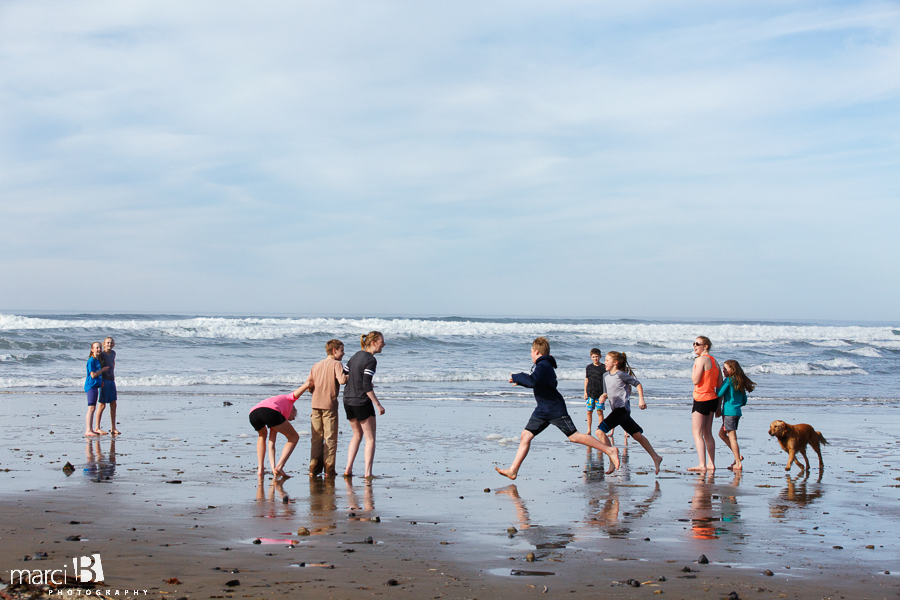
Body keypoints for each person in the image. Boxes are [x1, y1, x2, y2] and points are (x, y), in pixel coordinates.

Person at [495, 337, 620, 480]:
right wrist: (522, 381)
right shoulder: (544, 366)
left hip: (554, 409)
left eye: (531, 352)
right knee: (526, 435)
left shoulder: (543, 366)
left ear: (536, 352)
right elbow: (540, 382)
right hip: (542, 410)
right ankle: (513, 470)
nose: (530, 354)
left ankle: (609, 450)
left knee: (574, 436)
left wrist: (517, 377)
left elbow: (533, 381)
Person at [596, 351, 664, 475]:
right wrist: (603, 396)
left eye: (607, 360)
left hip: (622, 410)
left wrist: (641, 399)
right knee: (637, 435)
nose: (604, 362)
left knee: (599, 431)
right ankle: (656, 457)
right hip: (618, 411)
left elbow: (637, 384)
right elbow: (607, 392)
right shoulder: (605, 376)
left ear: (615, 363)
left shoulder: (621, 374)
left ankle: (612, 458)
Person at [343, 331, 386, 479]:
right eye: (382, 341)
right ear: (373, 343)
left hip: (348, 400)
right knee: (370, 438)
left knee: (356, 435)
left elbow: (345, 375)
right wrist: (378, 405)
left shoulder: (355, 356)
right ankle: (368, 473)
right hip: (361, 402)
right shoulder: (370, 360)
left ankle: (348, 468)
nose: (384, 344)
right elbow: (366, 385)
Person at [249, 382, 314, 478]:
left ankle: (261, 469)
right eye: (293, 417)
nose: (292, 419)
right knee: (294, 437)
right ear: (293, 410)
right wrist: (309, 384)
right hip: (269, 412)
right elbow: (298, 392)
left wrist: (273, 468)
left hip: (253, 413)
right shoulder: (289, 400)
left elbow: (272, 443)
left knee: (262, 436)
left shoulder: (278, 407)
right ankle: (280, 467)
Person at [307, 339, 349, 478]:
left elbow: (309, 385)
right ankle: (329, 469)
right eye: (341, 350)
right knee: (330, 438)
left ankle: (314, 468)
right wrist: (352, 375)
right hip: (329, 405)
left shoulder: (316, 365)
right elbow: (342, 380)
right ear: (334, 350)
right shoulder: (337, 364)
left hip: (315, 404)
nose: (343, 353)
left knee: (316, 438)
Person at [690, 335, 723, 472]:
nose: (695, 346)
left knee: (697, 433)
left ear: (706, 346)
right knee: (708, 432)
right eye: (694, 343)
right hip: (713, 398)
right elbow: (720, 385)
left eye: (697, 343)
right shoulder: (715, 361)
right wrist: (719, 406)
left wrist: (694, 369)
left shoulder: (701, 360)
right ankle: (711, 463)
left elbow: (695, 380)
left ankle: (702, 464)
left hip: (701, 398)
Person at [717, 359, 755, 471]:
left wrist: (717, 386)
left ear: (732, 370)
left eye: (725, 368)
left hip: (729, 412)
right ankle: (738, 456)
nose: (723, 370)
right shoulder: (740, 381)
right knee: (722, 434)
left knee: (732, 437)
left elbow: (719, 393)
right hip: (737, 412)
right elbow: (744, 401)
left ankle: (738, 463)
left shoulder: (729, 380)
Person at [83, 342, 108, 437]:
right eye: (96, 348)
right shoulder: (91, 361)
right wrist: (103, 370)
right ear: (92, 350)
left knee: (93, 408)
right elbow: (93, 375)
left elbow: (97, 375)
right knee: (91, 408)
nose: (98, 349)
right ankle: (88, 430)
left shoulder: (97, 361)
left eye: (100, 348)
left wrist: (100, 381)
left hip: (95, 386)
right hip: (90, 386)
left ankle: (91, 429)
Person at [95, 337, 119, 435]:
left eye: (111, 343)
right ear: (104, 344)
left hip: (111, 380)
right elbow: (97, 366)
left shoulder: (113, 353)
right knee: (102, 404)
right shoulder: (101, 354)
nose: (109, 344)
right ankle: (97, 427)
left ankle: (113, 428)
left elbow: (113, 363)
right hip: (103, 381)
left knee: (113, 403)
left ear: (113, 344)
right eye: (107, 343)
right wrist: (100, 380)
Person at [583, 348, 607, 438]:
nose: (595, 359)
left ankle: (601, 429)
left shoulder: (604, 367)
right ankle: (589, 430)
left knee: (599, 411)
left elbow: (606, 381)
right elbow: (586, 379)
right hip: (590, 393)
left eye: (597, 357)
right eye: (593, 357)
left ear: (600, 356)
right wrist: (585, 392)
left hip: (600, 394)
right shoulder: (589, 367)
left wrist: (606, 393)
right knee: (589, 411)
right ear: (591, 357)